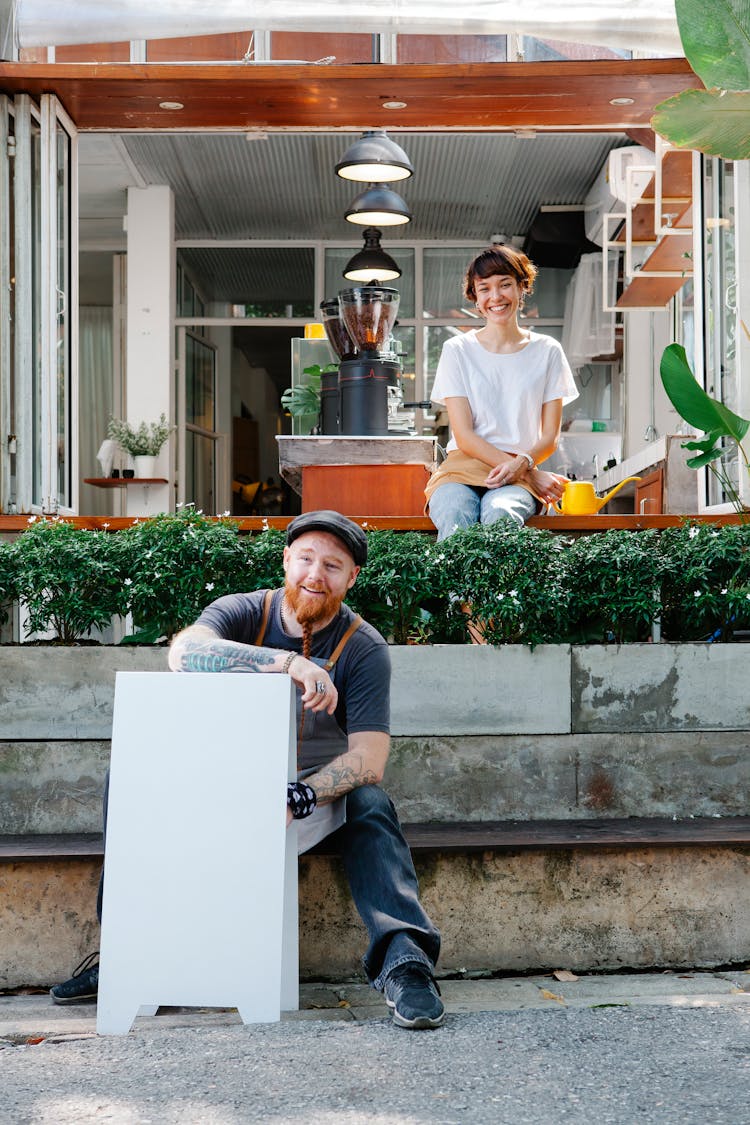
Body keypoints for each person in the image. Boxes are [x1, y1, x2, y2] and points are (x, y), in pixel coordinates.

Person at [51, 510, 443, 1031]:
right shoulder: (243, 611)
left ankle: (405, 964)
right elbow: (184, 652)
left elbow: (369, 759)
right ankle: (124, 953)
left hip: (304, 803)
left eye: (332, 565)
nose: (314, 575)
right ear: (286, 560)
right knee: (126, 780)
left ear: (351, 578)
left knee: (371, 803)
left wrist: (297, 797)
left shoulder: (362, 647)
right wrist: (290, 665)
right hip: (222, 788)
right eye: (305, 558)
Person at [426, 245, 578, 539]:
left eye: (505, 284)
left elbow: (549, 437)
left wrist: (521, 466)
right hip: (461, 470)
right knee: (455, 515)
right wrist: (531, 473)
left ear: (522, 287)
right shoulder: (457, 350)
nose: (495, 297)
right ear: (475, 297)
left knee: (500, 514)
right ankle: (459, 589)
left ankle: (496, 589)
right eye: (484, 288)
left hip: (517, 476)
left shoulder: (548, 351)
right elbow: (465, 437)